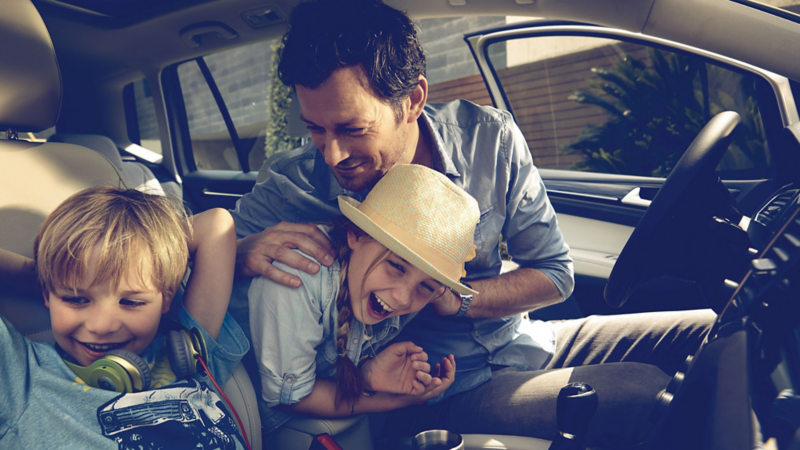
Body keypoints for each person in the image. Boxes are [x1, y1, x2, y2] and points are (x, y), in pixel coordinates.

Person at [230, 0, 714, 446]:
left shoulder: (489, 140)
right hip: (443, 387)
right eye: (315, 128)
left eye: (353, 129)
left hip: (528, 340)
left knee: (717, 327)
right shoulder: (290, 187)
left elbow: (556, 274)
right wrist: (240, 251)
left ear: (413, 100)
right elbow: (170, 257)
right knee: (643, 394)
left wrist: (451, 299)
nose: (333, 153)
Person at [0, 186, 250, 450]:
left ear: (165, 298)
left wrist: (150, 247)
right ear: (48, 294)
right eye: (75, 298)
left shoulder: (189, 354)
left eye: (131, 302)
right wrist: (45, 273)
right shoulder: (23, 374)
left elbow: (216, 225)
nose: (102, 326)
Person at [247, 164, 477, 435]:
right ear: (355, 234)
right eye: (397, 266)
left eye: (427, 286)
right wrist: (396, 400)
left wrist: (367, 374)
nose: (403, 299)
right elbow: (291, 399)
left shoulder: (384, 289)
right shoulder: (297, 280)